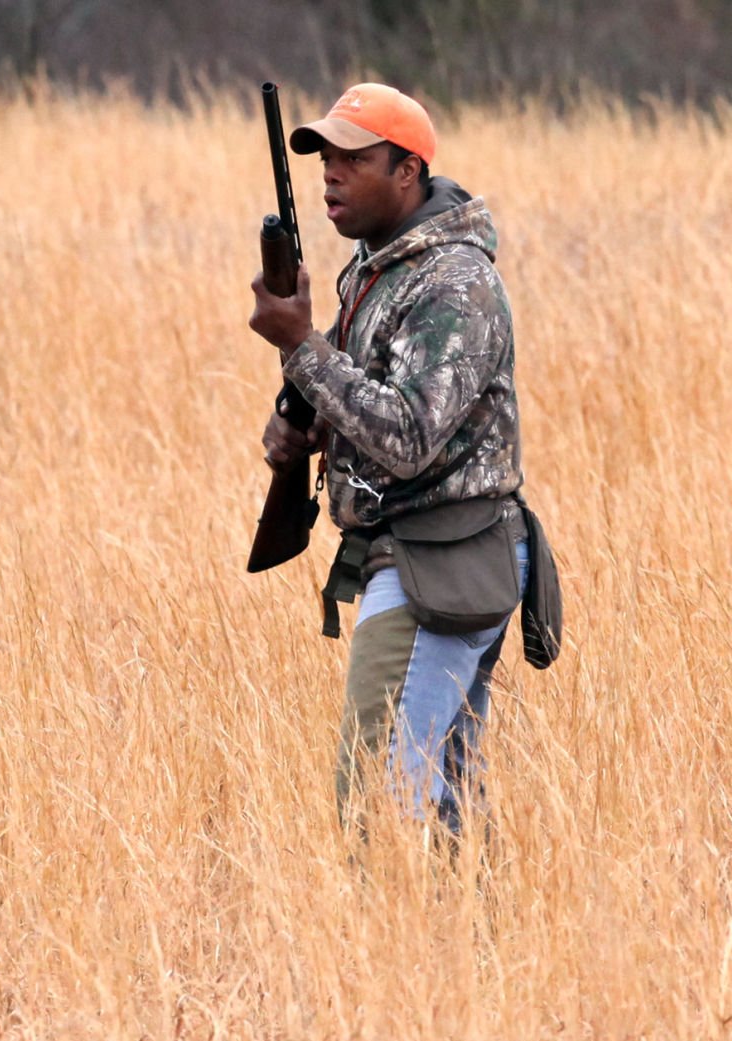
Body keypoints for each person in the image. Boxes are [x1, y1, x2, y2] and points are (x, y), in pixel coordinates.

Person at [246, 83, 531, 835]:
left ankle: (392, 944)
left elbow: (406, 437)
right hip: (417, 556)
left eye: (353, 159)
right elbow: (365, 399)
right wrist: (299, 428)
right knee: (439, 800)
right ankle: (472, 949)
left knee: (375, 799)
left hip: (438, 560)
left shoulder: (455, 282)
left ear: (408, 172)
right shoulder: (380, 270)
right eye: (325, 160)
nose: (330, 175)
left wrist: (301, 348)